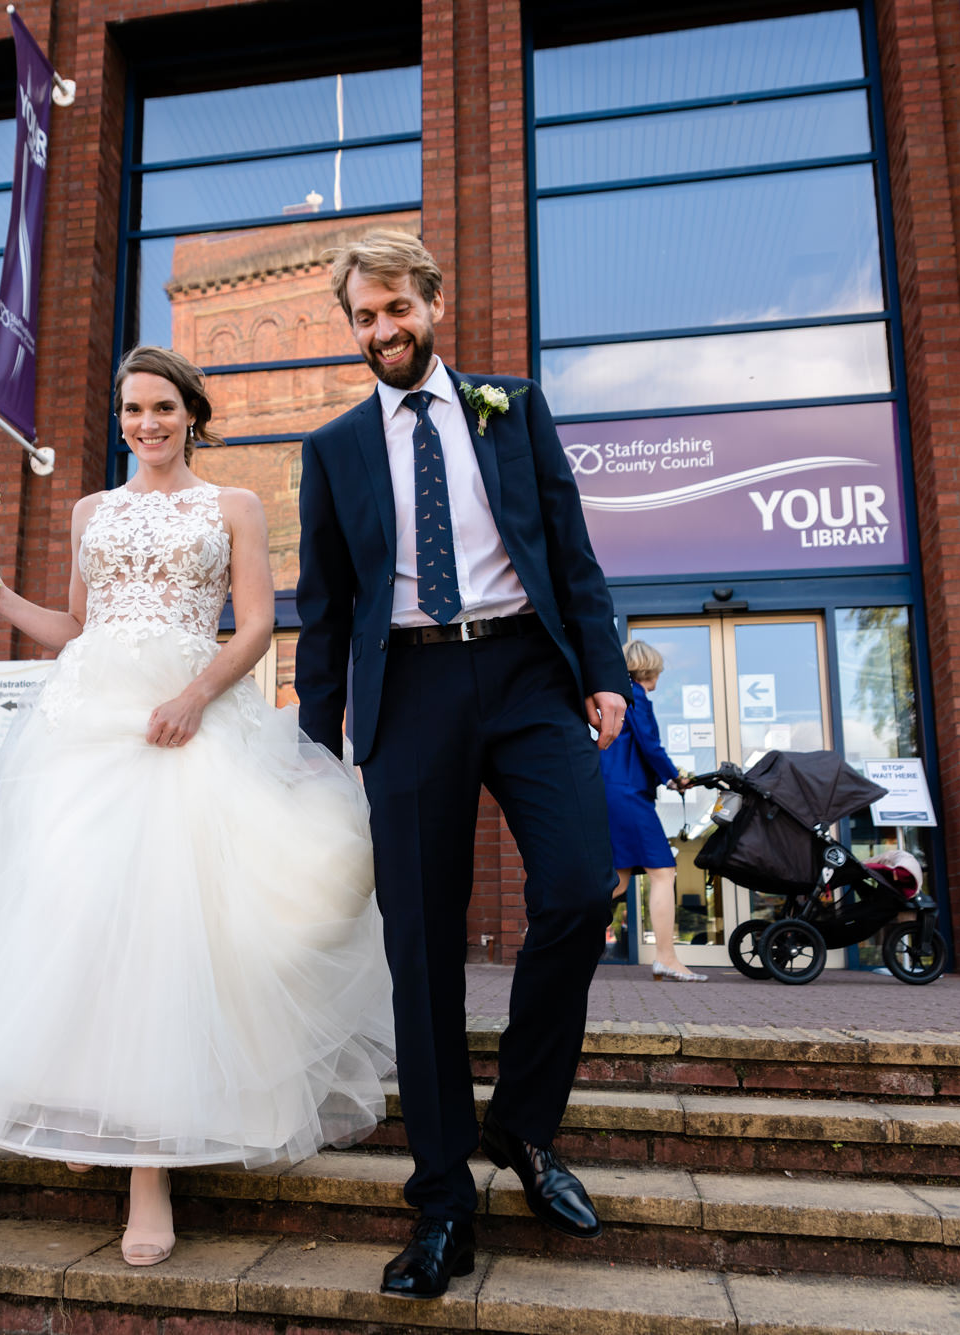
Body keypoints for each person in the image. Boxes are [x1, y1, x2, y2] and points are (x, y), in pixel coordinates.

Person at [0, 346, 394, 1270]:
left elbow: (260, 622)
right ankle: (94, 1110)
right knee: (81, 926)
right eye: (131, 409)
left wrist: (194, 696)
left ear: (192, 412)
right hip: (86, 733)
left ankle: (150, 1171)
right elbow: (75, 628)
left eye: (160, 407)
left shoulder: (234, 505)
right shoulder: (87, 511)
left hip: (187, 725)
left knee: (171, 933)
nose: (144, 422)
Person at [294, 231, 632, 1299]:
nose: (383, 330)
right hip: (410, 688)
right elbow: (324, 605)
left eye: (396, 309)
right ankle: (442, 1198)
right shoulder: (334, 448)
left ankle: (523, 1131)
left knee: (580, 888)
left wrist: (604, 670)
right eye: (364, 317)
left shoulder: (510, 406)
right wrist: (319, 736)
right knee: (423, 951)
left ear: (430, 304)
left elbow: (569, 549)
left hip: (529, 672)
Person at [601, 640, 702, 982]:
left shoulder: (617, 696)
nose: (660, 674)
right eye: (658, 668)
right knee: (663, 871)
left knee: (619, 879)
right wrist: (675, 776)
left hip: (614, 791)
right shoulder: (636, 696)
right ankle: (666, 958)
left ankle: (557, 928)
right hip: (629, 794)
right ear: (649, 668)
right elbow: (649, 743)